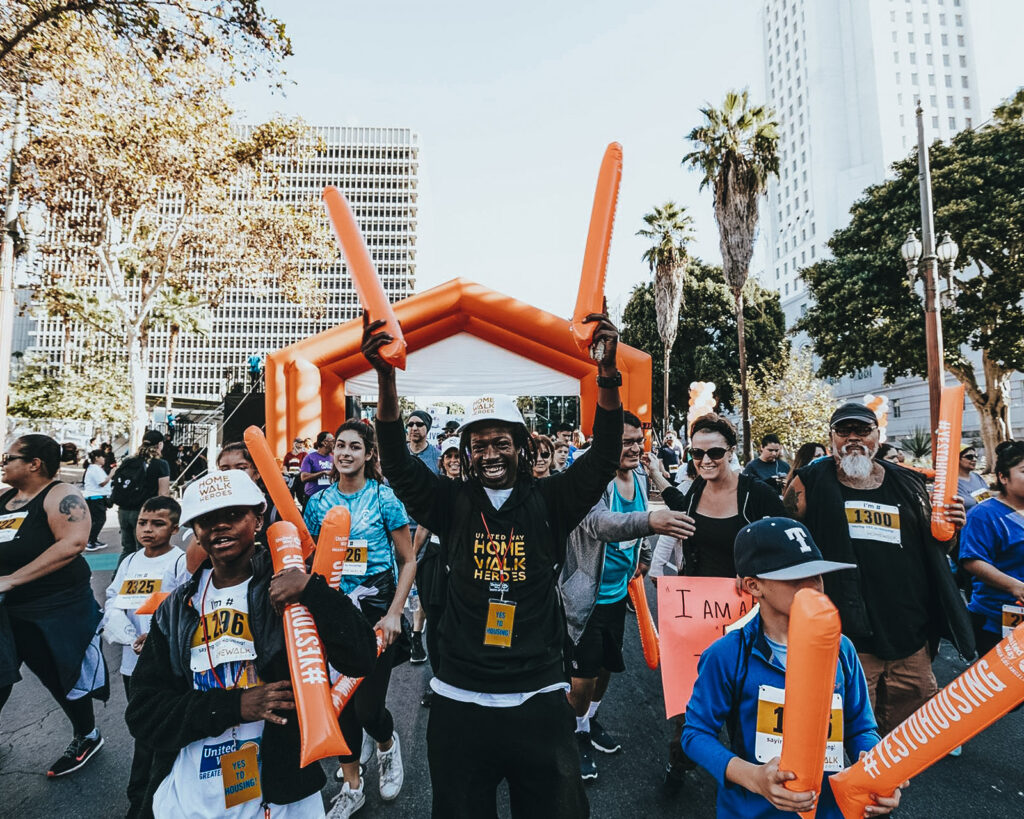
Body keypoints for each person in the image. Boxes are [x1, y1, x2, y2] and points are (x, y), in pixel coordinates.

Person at [363, 308, 624, 818]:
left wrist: (608, 377)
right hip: (460, 696)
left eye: (501, 442)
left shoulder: (551, 499)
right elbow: (395, 461)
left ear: (523, 447)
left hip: (540, 692)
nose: (489, 454)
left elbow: (604, 454)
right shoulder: (449, 502)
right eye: (477, 445)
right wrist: (387, 377)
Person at [125, 469, 377, 818]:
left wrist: (314, 591)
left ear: (258, 519)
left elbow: (361, 658)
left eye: (233, 515)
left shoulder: (292, 589)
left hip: (283, 791)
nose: (220, 527)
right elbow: (144, 712)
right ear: (195, 530)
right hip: (193, 796)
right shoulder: (176, 608)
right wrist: (235, 706)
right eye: (207, 520)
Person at [682, 518, 903, 819]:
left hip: (830, 811)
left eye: (818, 575)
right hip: (753, 811)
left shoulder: (843, 649)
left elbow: (860, 726)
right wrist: (754, 778)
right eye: (796, 578)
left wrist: (874, 765)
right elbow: (696, 735)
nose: (814, 586)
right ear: (753, 585)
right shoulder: (727, 654)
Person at [783, 402, 975, 734]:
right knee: (850, 739)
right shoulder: (809, 482)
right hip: (848, 640)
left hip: (910, 636)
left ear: (878, 435)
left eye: (862, 431)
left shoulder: (908, 484)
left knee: (907, 740)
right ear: (831, 438)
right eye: (844, 431)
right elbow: (783, 542)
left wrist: (953, 528)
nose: (853, 438)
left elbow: (934, 551)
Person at [646, 413, 785, 789]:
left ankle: (755, 780)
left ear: (732, 451)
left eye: (715, 452)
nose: (705, 460)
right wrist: (667, 581)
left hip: (749, 620)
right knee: (691, 705)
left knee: (748, 704)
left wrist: (757, 574)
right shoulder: (695, 490)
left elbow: (789, 542)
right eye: (697, 453)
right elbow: (679, 506)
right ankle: (680, 764)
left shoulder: (757, 494)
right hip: (696, 619)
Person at [560, 411, 694, 780]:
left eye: (638, 440)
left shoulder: (636, 476)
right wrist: (652, 522)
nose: (635, 448)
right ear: (602, 443)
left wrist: (646, 556)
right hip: (584, 599)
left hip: (618, 594)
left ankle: (588, 723)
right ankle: (574, 737)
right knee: (581, 679)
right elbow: (601, 525)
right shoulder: (588, 480)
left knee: (606, 667)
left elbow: (655, 516)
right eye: (625, 442)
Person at [303, 419, 415, 814]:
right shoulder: (318, 503)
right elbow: (312, 560)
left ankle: (386, 744)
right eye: (340, 447)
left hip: (376, 610)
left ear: (369, 454)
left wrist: (396, 611)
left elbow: (408, 558)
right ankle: (352, 786)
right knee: (339, 707)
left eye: (355, 447)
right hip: (334, 609)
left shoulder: (385, 499)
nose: (346, 453)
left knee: (367, 708)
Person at [0, 434, 109, 777]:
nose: (3, 462)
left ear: (34, 464)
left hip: (53, 606)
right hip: (7, 608)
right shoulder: (5, 498)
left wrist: (12, 579)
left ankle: (87, 735)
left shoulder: (61, 494)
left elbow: (74, 542)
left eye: (9, 457)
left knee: (59, 676)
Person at [102, 496, 189, 818]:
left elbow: (184, 610)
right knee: (142, 731)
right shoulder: (130, 561)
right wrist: (128, 636)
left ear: (175, 528)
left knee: (161, 734)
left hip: (167, 667)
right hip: (132, 666)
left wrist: (154, 640)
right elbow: (113, 601)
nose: (148, 530)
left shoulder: (179, 563)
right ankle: (139, 797)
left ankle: (153, 801)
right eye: (143, 522)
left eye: (158, 523)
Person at [959, 439, 1024, 657]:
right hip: (997, 620)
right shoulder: (983, 514)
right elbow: (972, 560)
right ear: (1003, 477)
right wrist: (1015, 587)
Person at [416, 437, 463, 707]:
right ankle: (440, 681)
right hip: (435, 560)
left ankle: (460, 680)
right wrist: (411, 560)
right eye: (450, 456)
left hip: (466, 560)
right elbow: (423, 526)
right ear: (442, 461)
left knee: (462, 620)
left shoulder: (473, 488)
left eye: (458, 456)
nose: (454, 461)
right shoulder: (436, 489)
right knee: (435, 621)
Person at [113, 430, 172, 567]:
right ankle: (140, 580)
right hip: (145, 513)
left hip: (123, 511)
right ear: (160, 444)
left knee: (127, 549)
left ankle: (119, 579)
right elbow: (163, 494)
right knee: (145, 549)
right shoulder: (161, 464)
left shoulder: (129, 461)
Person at [83, 449, 112, 551]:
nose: (104, 459)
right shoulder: (94, 468)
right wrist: (112, 474)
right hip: (95, 498)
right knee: (99, 520)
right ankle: (90, 541)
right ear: (96, 458)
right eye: (102, 457)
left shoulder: (95, 468)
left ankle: (93, 539)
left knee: (96, 520)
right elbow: (102, 483)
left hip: (96, 497)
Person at [299, 432, 336, 507]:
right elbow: (303, 477)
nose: (334, 444)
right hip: (312, 498)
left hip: (329, 499)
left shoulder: (333, 458)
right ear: (324, 443)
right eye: (332, 441)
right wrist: (323, 473)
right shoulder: (310, 457)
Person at [957, 445, 991, 511]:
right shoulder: (950, 481)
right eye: (969, 457)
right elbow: (968, 502)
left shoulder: (976, 476)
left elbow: (988, 496)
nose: (974, 460)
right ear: (957, 458)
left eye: (976, 457)